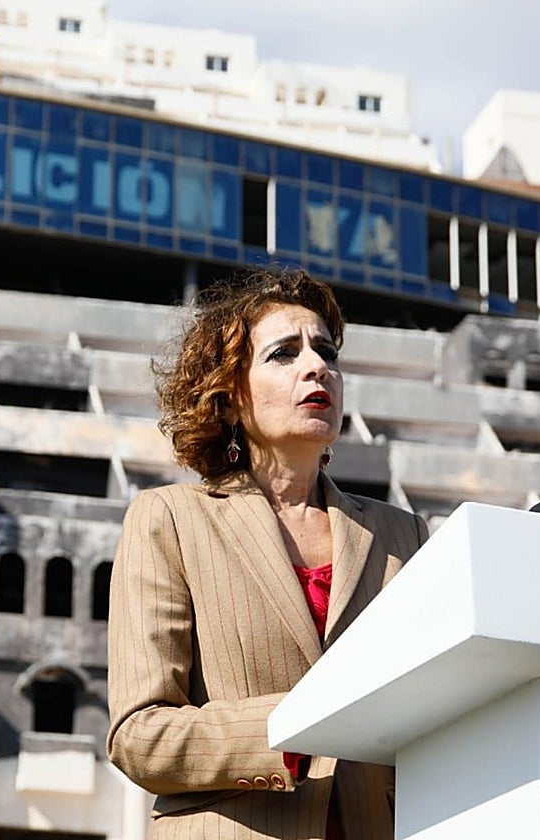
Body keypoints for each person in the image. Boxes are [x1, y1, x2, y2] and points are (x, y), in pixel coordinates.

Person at [106, 269, 428, 840]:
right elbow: (139, 734)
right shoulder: (171, 521)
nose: (317, 366)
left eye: (326, 351)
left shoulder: (406, 536)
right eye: (284, 354)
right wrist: (291, 730)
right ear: (229, 396)